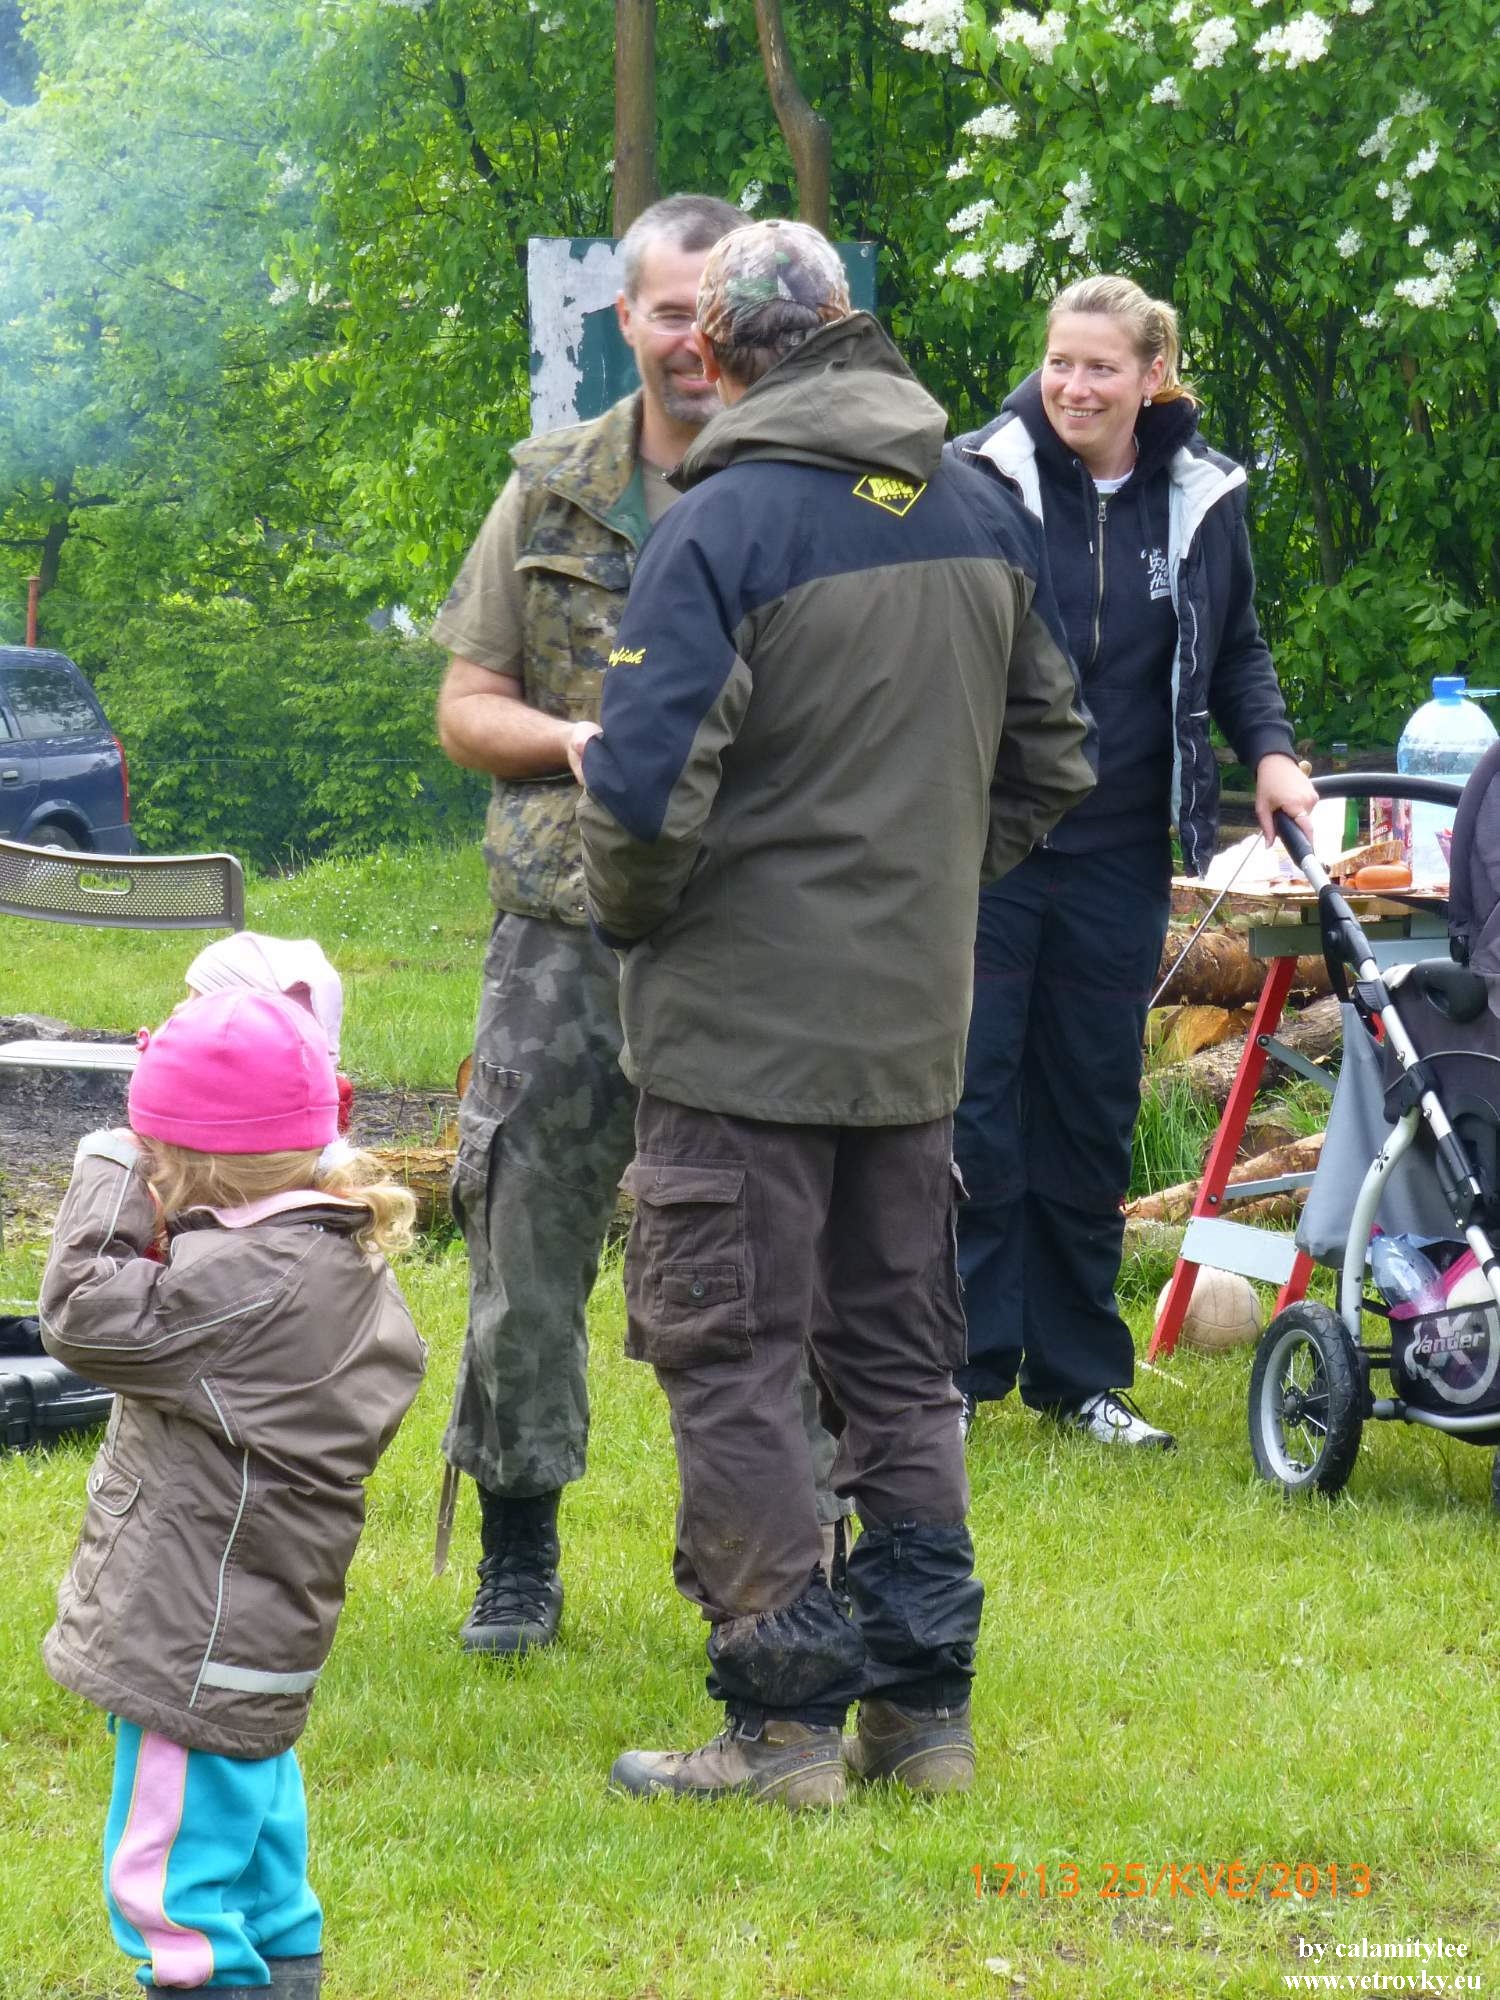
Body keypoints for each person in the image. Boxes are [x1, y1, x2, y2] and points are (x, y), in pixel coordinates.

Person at [573, 219, 1096, 1809]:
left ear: (719, 353)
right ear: (849, 325)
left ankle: (785, 1729)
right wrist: (921, 888)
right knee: (901, 1361)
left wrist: (649, 926)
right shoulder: (978, 506)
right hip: (911, 1036)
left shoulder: (719, 525)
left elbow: (641, 799)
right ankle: (922, 1718)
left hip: (740, 1036)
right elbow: (1055, 759)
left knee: (733, 1357)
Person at [432, 192, 852, 1658]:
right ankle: (518, 1551)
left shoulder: (818, 490)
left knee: (776, 1250)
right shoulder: (552, 491)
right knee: (525, 1234)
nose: (690, 341)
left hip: (751, 929)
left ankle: (796, 1548)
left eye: (709, 315)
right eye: (667, 311)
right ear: (629, 318)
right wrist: (577, 742)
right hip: (565, 928)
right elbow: (465, 706)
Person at [948, 274, 1318, 1448]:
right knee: (973, 1105)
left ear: (1151, 375)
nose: (1074, 385)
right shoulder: (977, 476)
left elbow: (1238, 648)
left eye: (1101, 366)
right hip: (987, 849)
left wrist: (1272, 754)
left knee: (1091, 1107)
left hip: (1118, 852)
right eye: (1060, 361)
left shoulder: (1201, 496)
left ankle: (1079, 1377)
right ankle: (956, 1373)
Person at [39, 990, 426, 1999]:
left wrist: (111, 1162)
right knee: (256, 1862)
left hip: (191, 1637)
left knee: (171, 1890)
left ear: (180, 1167)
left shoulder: (247, 1281)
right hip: (252, 1636)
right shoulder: (320, 1256)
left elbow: (79, 1310)